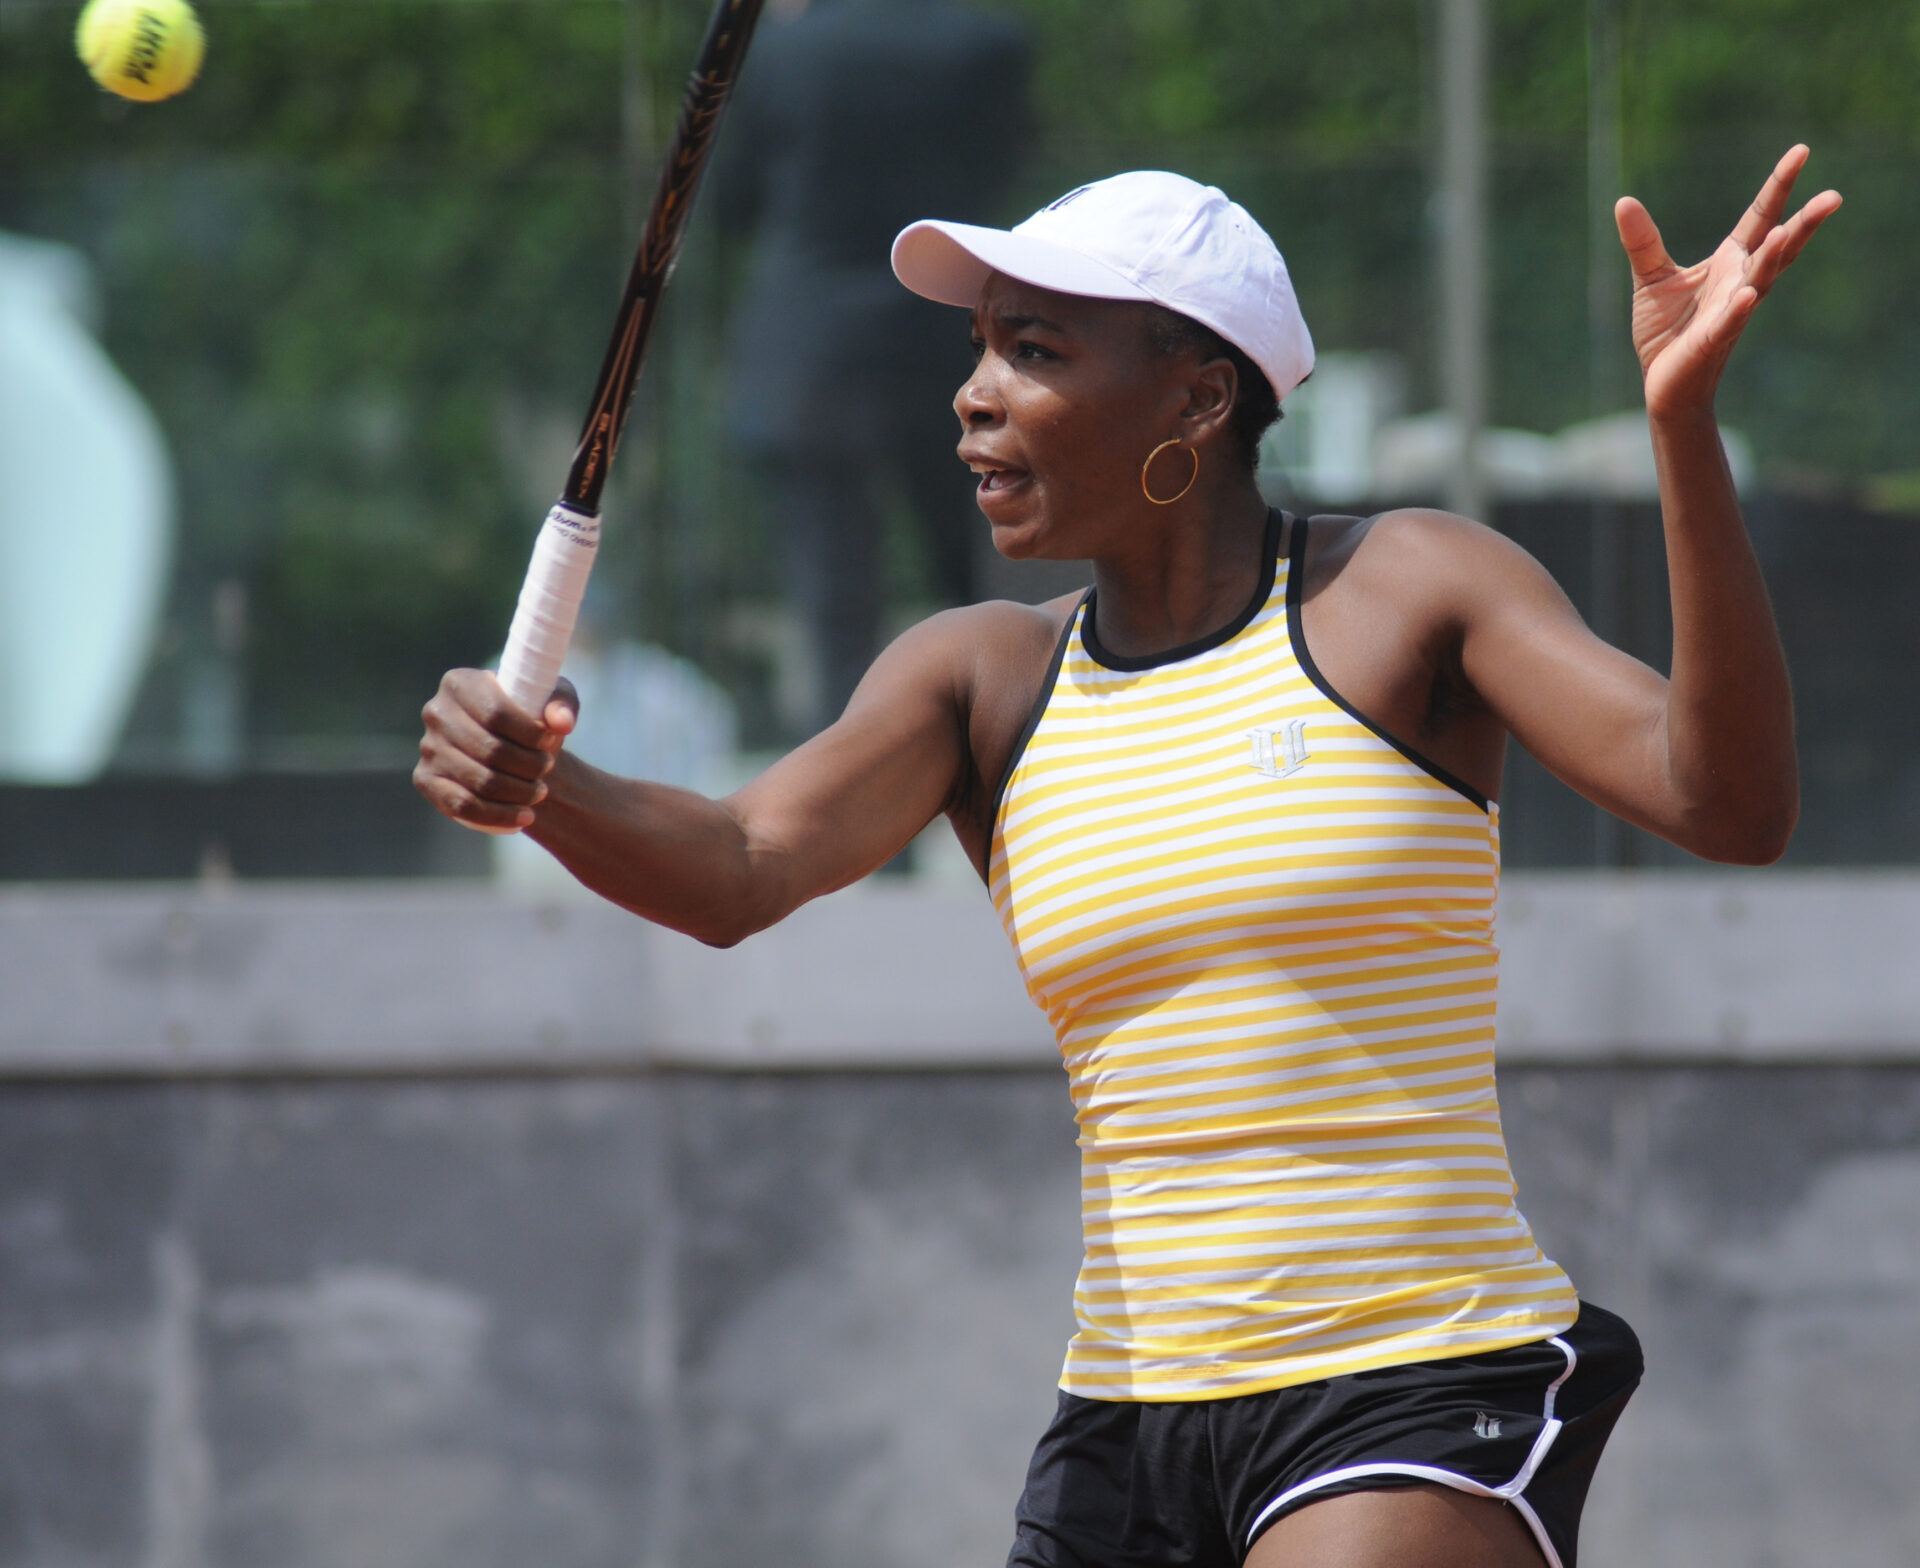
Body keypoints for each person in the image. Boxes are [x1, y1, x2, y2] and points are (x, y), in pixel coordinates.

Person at [417, 152, 1839, 1567]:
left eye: (1033, 352)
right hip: (1124, 1427)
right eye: (979, 350)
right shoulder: (975, 677)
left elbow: (1727, 803)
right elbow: (737, 864)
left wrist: (1682, 426)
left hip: (1419, 1383)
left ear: (1199, 396)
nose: (974, 395)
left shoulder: (1410, 586)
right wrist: (545, 785)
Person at [715, 0, 1031, 736]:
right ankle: (1007, 791)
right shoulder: (986, 42)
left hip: (809, 352)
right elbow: (1004, 166)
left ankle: (857, 823)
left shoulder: (780, 51)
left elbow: (730, 198)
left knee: (833, 606)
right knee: (980, 579)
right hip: (950, 337)